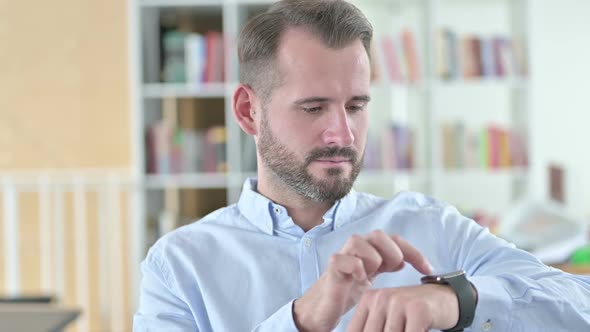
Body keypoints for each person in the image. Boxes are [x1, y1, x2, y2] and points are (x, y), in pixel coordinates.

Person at [133, 0, 590, 331]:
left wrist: (457, 299)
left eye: (355, 105)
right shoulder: (179, 266)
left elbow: (579, 306)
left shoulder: (433, 228)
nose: (343, 134)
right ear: (248, 112)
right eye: (313, 108)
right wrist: (303, 320)